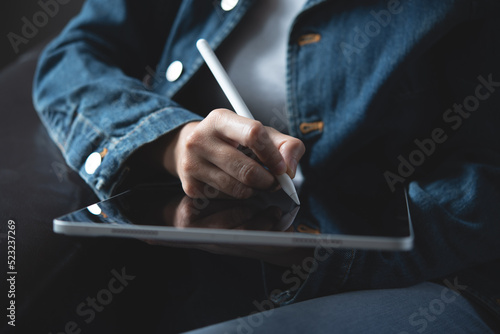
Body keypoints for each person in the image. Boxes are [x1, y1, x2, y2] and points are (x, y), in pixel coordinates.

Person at [33, 0, 500, 332]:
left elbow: (483, 183)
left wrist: (325, 248)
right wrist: (169, 141)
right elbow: (69, 60)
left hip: (436, 280)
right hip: (207, 279)